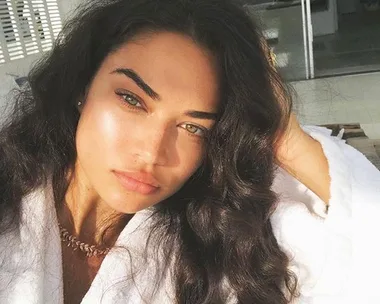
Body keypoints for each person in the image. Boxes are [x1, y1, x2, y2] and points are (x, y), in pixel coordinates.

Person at [0, 0, 379, 303]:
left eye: (193, 127)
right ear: (82, 86)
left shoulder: (220, 246)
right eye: (132, 99)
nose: (152, 152)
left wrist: (286, 138)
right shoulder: (9, 189)